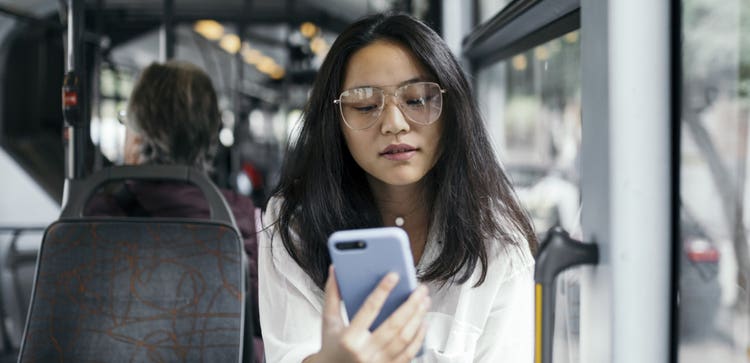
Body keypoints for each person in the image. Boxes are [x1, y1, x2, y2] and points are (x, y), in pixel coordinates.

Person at [258, 12, 537, 363]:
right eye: (365, 105)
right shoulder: (293, 223)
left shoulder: (498, 241)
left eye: (417, 99)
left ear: (452, 110)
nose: (393, 123)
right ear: (335, 123)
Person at [84, 61, 263, 361]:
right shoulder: (239, 215)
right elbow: (259, 318)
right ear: (209, 140)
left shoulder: (98, 215)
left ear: (139, 137)